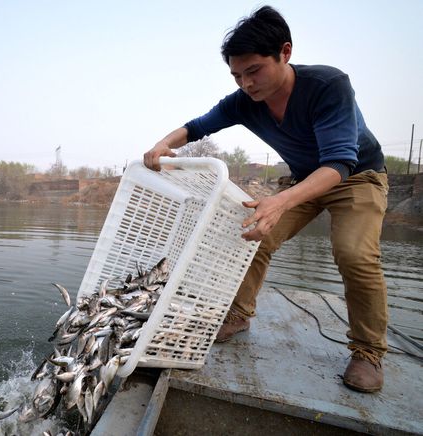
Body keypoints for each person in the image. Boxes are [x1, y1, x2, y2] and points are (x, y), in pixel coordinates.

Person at [143, 5, 388, 393]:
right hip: (305, 178)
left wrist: (282, 201)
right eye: (237, 75)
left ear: (285, 53)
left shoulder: (328, 86)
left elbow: (340, 163)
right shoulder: (243, 102)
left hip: (357, 176)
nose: (246, 84)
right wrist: (162, 144)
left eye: (254, 71)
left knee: (354, 253)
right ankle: (239, 314)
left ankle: (368, 351)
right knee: (252, 235)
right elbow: (195, 127)